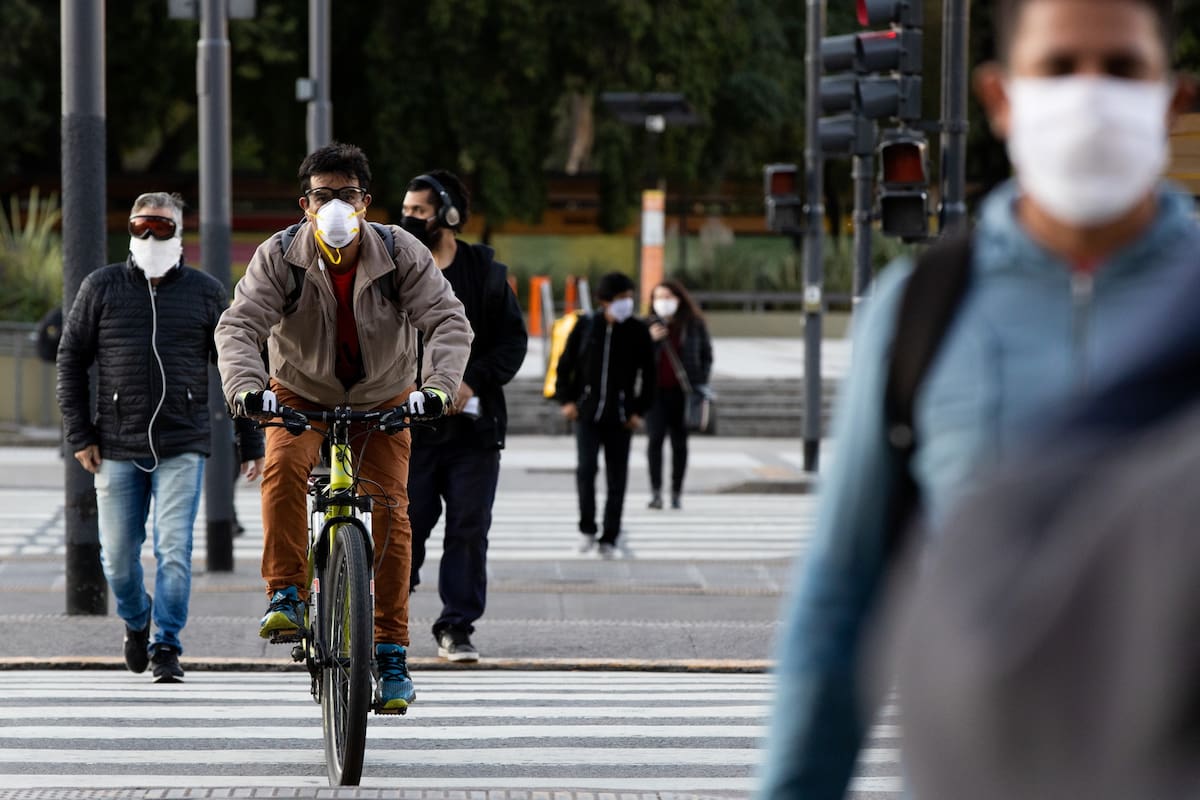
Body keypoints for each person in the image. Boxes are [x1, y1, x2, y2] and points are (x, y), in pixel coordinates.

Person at [757, 0, 1200, 796]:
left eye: (1122, 68)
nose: (1090, 94)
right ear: (1001, 97)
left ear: (1172, 97)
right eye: (1060, 67)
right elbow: (844, 585)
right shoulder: (925, 305)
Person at [215, 143, 472, 710]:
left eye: (347, 196)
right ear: (304, 205)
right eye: (323, 196)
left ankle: (391, 653)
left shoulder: (400, 251)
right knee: (281, 467)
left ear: (367, 201)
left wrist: (437, 390)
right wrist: (246, 389)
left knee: (393, 514)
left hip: (386, 400)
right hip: (299, 395)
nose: (336, 207)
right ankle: (285, 591)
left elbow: (447, 321)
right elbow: (239, 325)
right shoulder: (278, 255)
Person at [56, 191, 265, 684]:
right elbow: (70, 359)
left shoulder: (205, 291)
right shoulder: (101, 287)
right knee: (118, 559)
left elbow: (237, 365)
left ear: (180, 232)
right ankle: (136, 621)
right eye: (140, 226)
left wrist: (250, 440)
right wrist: (79, 433)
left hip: (182, 443)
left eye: (162, 227)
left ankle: (166, 644)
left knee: (174, 550)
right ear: (130, 230)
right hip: (115, 444)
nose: (150, 235)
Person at [401, 169, 528, 663]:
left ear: (448, 214)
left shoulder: (485, 274)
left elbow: (511, 344)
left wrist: (470, 381)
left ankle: (456, 627)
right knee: (405, 525)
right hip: (409, 430)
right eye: (406, 210)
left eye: (419, 211)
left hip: (473, 430)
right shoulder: (394, 266)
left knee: (469, 529)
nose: (409, 218)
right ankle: (385, 614)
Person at [554, 272, 655, 558]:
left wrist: (638, 411)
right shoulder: (586, 326)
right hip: (587, 415)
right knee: (586, 472)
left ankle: (610, 537)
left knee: (617, 478)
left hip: (622, 417)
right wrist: (567, 401)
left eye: (629, 297)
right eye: (622, 298)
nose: (627, 303)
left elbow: (649, 375)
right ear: (605, 300)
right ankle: (587, 530)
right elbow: (565, 364)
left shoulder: (637, 330)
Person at [645, 279, 712, 511]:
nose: (663, 302)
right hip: (655, 393)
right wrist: (650, 340)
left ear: (678, 299)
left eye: (668, 297)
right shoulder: (647, 325)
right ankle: (656, 493)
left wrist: (700, 380)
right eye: (658, 297)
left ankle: (676, 492)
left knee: (679, 443)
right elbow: (638, 359)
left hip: (684, 393)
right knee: (655, 441)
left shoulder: (692, 324)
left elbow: (706, 354)